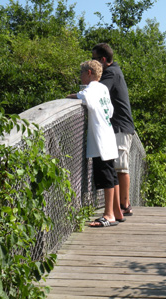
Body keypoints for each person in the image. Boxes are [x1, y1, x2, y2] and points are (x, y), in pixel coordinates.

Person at [66, 60, 124, 227]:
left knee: (106, 176)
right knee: (112, 175)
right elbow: (111, 110)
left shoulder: (91, 89)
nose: (80, 76)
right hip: (108, 135)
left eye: (82, 73)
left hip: (100, 139)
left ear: (89, 72)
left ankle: (109, 215)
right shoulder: (104, 88)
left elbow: (85, 97)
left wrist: (72, 96)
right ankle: (117, 212)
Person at [91, 43, 134, 216]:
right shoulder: (115, 71)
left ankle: (125, 205)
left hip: (120, 127)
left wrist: (80, 94)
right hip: (120, 126)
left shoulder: (110, 73)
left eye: (94, 59)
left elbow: (100, 91)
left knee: (121, 168)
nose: (92, 62)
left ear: (102, 59)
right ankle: (121, 206)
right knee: (118, 167)